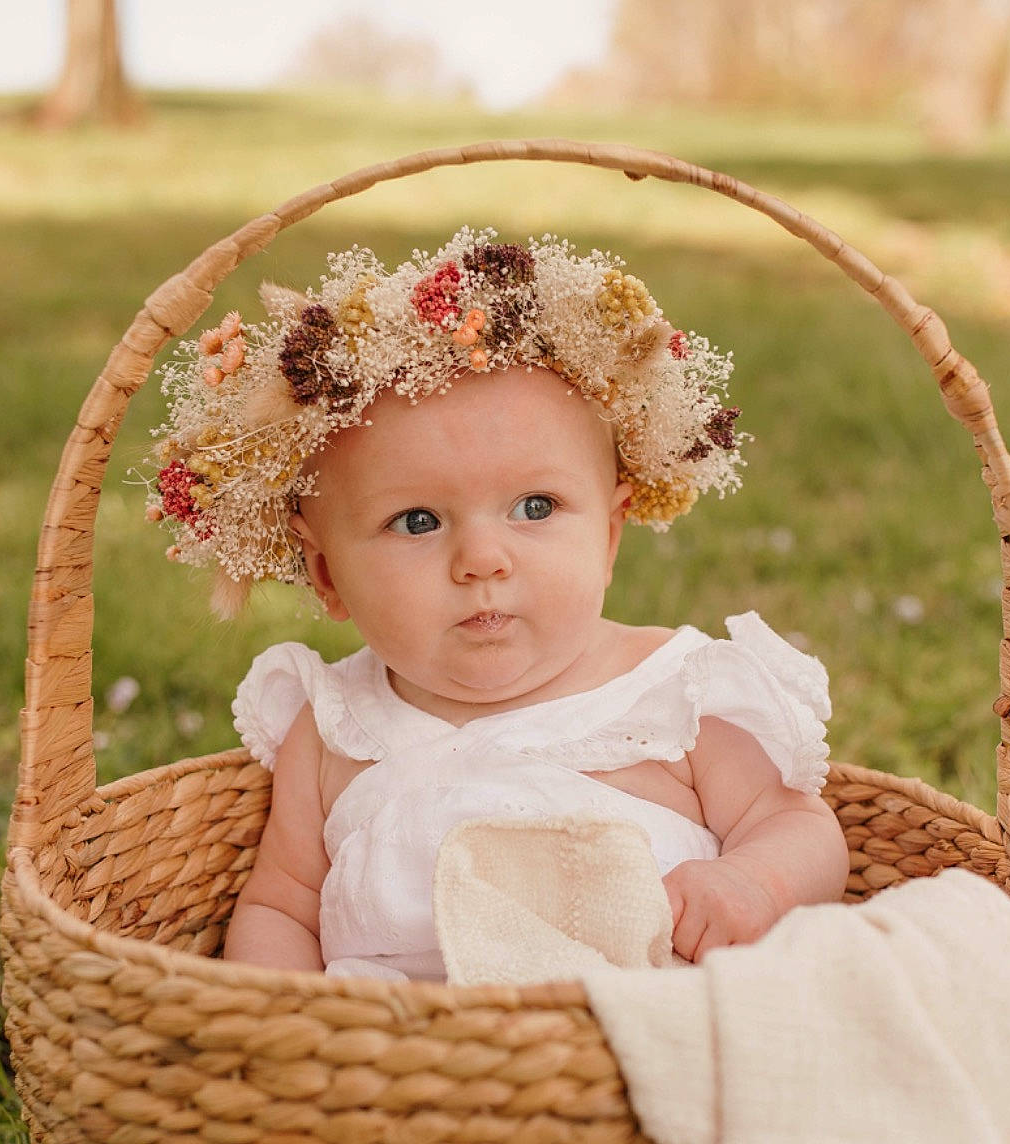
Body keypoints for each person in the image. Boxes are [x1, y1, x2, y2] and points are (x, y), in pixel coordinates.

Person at [143, 229, 849, 980]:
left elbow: (795, 824)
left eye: (535, 507)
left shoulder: (676, 692)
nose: (482, 559)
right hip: (390, 1064)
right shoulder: (332, 728)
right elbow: (280, 907)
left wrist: (751, 882)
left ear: (611, 534)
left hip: (644, 1028)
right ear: (326, 575)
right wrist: (281, 1020)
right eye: (417, 521)